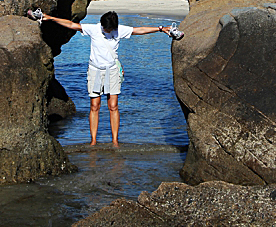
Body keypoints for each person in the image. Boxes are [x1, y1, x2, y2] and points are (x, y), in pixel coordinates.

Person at [28, 8, 183, 147]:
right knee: (94, 106)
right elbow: (71, 25)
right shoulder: (94, 29)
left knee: (113, 106)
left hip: (112, 71)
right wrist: (49, 18)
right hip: (95, 70)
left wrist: (161, 28)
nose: (107, 31)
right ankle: (93, 140)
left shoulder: (119, 30)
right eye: (105, 28)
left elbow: (139, 30)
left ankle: (115, 140)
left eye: (110, 29)